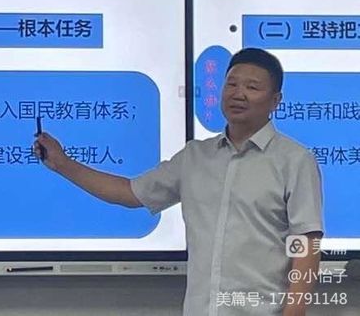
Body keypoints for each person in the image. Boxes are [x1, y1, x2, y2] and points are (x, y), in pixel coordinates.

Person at [35, 48, 324, 315]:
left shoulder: (295, 160)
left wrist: (294, 311)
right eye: (231, 84)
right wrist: (63, 164)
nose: (238, 94)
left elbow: (306, 243)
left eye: (252, 87)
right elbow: (129, 193)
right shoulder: (195, 157)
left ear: (275, 100)